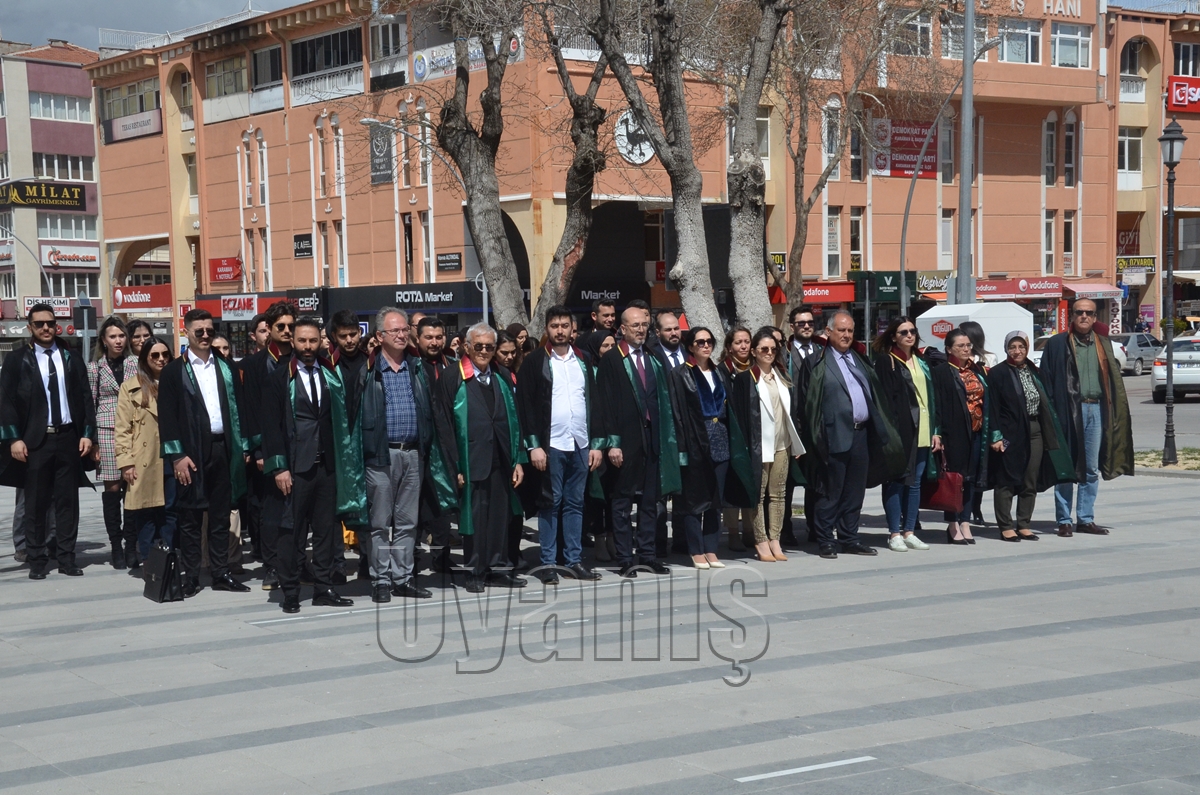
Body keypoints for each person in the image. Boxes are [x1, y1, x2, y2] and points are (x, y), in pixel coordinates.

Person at [260, 318, 363, 613]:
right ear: (293, 342)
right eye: (302, 341)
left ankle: (323, 587)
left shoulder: (331, 374)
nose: (308, 347)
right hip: (295, 468)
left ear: (321, 342)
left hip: (327, 466)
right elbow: (271, 426)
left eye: (313, 341)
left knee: (326, 531)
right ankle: (291, 591)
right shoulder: (280, 377)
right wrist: (279, 467)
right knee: (290, 532)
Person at [796, 310, 904, 560]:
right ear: (828, 332)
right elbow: (805, 403)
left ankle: (849, 538)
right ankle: (825, 539)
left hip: (861, 434)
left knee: (855, 491)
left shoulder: (859, 359)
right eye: (841, 330)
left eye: (850, 331)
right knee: (830, 491)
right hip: (832, 436)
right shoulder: (817, 362)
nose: (846, 335)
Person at [157, 309, 250, 596]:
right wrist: (177, 456)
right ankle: (192, 576)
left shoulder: (226, 366)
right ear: (186, 332)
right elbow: (167, 416)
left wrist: (244, 446)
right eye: (199, 331)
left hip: (223, 447)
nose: (206, 335)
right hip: (191, 453)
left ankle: (221, 573)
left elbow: (240, 407)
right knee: (190, 518)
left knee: (221, 516)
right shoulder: (174, 371)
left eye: (210, 330)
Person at [0, 303, 96, 579]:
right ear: (30, 327)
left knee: (68, 502)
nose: (46, 328)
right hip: (35, 442)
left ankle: (66, 557)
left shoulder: (70, 357)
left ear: (56, 325)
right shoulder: (17, 359)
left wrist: (87, 434)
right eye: (39, 324)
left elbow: (85, 398)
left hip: (68, 439)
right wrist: (14, 439)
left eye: (50, 323)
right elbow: (6, 402)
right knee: (35, 503)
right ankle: (37, 559)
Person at [433, 323, 528, 593]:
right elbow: (444, 425)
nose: (484, 351)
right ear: (467, 347)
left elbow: (515, 419)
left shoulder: (502, 375)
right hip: (470, 459)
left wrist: (518, 460)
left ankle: (498, 568)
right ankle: (475, 571)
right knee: (474, 519)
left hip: (501, 459)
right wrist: (454, 466)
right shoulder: (452, 377)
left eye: (489, 347)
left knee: (500, 517)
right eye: (478, 346)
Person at [517, 306, 603, 584]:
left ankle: (574, 560)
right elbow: (525, 406)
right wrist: (533, 446)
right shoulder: (535, 362)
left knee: (575, 503)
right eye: (555, 326)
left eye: (565, 325)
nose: (560, 331)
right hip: (551, 444)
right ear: (547, 329)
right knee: (550, 504)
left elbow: (594, 402)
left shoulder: (583, 359)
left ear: (572, 329)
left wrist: (595, 444)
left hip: (580, 442)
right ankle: (548, 563)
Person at [596, 304, 680, 578]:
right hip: (625, 442)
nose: (641, 330)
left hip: (652, 439)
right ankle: (624, 558)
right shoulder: (612, 360)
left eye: (644, 325)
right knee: (622, 502)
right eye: (635, 325)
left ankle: (648, 554)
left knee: (650, 502)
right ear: (622, 328)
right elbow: (605, 404)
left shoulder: (653, 357)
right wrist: (613, 443)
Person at [1040, 298, 1134, 537]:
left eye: (1089, 313)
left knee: (1091, 468)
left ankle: (1085, 518)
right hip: (1068, 410)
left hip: (1096, 409)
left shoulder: (1103, 344)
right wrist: (1052, 414)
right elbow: (1046, 380)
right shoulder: (1058, 344)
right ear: (1072, 315)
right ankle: (1064, 520)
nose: (1084, 316)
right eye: (1079, 312)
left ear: (1094, 317)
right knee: (1066, 465)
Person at [361, 308, 436, 603]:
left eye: (405, 330)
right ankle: (380, 580)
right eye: (395, 331)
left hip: (413, 454)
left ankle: (403, 578)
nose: (402, 335)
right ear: (380, 336)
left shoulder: (417, 368)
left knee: (407, 522)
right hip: (381, 455)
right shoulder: (369, 371)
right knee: (380, 522)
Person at [988, 331, 1075, 541]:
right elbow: (992, 407)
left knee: (1030, 479)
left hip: (1035, 429)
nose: (1017, 351)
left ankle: (1024, 524)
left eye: (1021, 347)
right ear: (1006, 349)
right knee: (1006, 479)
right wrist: (996, 436)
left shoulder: (1034, 371)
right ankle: (1005, 525)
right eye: (1012, 347)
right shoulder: (998, 373)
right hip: (1010, 431)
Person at [727, 329, 805, 562]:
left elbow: (790, 412)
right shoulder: (745, 379)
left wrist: (795, 442)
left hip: (782, 444)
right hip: (758, 447)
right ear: (754, 352)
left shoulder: (782, 376)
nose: (769, 353)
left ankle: (775, 539)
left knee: (778, 495)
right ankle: (761, 540)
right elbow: (741, 416)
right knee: (758, 496)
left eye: (773, 349)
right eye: (764, 349)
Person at [240, 301, 297, 591]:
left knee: (299, 509)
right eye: (280, 327)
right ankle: (272, 565)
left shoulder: (304, 358)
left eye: (291, 326)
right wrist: (259, 451)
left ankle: (297, 562)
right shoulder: (255, 364)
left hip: (302, 447)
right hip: (270, 449)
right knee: (271, 511)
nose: (287, 331)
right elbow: (250, 411)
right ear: (269, 329)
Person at [872, 317, 941, 552]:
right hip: (900, 432)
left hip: (923, 429)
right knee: (896, 482)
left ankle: (909, 531)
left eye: (912, 331)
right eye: (903, 332)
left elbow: (932, 396)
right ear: (893, 337)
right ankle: (894, 533)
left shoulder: (921, 361)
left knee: (915, 483)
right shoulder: (887, 361)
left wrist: (936, 431)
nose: (909, 335)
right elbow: (884, 400)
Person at [669, 327, 730, 569]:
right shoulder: (680, 374)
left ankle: (711, 548)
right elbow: (676, 412)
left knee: (716, 499)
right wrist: (682, 445)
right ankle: (695, 549)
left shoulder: (719, 371)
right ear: (691, 346)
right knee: (694, 499)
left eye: (709, 341)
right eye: (700, 342)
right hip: (695, 439)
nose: (706, 346)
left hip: (720, 438)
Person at [115, 337, 176, 568]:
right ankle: (150, 562)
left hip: (173, 456)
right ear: (145, 359)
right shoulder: (130, 387)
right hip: (144, 458)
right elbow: (122, 428)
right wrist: (126, 462)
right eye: (155, 355)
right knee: (146, 511)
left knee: (171, 511)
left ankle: (169, 559)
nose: (161, 360)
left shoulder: (178, 382)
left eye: (165, 355)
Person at [931, 329, 994, 545]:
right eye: (961, 346)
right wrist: (937, 432)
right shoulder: (941, 372)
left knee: (971, 478)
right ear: (949, 349)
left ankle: (965, 521)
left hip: (977, 432)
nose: (966, 349)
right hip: (954, 433)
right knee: (955, 479)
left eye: (968, 345)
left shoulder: (977, 370)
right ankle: (952, 523)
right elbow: (937, 405)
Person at [89, 316, 139, 569]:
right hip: (106, 431)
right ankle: (116, 545)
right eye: (113, 336)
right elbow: (90, 403)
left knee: (133, 488)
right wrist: (94, 441)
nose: (118, 341)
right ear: (104, 340)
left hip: (135, 430)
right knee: (112, 489)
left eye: (121, 336)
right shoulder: (95, 368)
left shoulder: (136, 363)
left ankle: (131, 544)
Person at [412, 315, 457, 574]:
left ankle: (442, 557)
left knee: (442, 504)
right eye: (428, 337)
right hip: (418, 446)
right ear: (417, 338)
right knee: (415, 506)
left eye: (439, 337)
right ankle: (412, 560)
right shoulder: (411, 366)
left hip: (446, 445)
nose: (434, 342)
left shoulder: (452, 366)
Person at [327, 310, 370, 578]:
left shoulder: (372, 362)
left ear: (360, 332)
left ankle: (367, 559)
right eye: (343, 336)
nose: (349, 340)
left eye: (353, 334)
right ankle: (337, 564)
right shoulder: (326, 365)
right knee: (334, 508)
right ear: (335, 336)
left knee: (367, 504)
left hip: (365, 442)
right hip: (335, 444)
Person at [577, 330, 618, 562]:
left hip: (617, 441)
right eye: (605, 346)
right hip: (594, 442)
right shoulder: (588, 371)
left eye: (613, 345)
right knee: (596, 495)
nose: (610, 350)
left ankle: (612, 537)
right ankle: (599, 538)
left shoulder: (617, 369)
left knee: (614, 494)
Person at [783, 305, 821, 543]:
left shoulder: (822, 351)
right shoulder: (783, 354)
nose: (806, 326)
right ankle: (785, 530)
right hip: (790, 426)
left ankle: (815, 527)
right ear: (792, 327)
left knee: (815, 482)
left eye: (810, 323)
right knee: (787, 483)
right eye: (801, 323)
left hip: (816, 428)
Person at [719, 326, 753, 551]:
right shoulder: (722, 371)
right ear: (729, 347)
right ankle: (733, 532)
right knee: (733, 485)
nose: (743, 346)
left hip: (753, 433)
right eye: (738, 342)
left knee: (750, 482)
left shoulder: (756, 368)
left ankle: (750, 530)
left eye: (747, 342)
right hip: (730, 433)